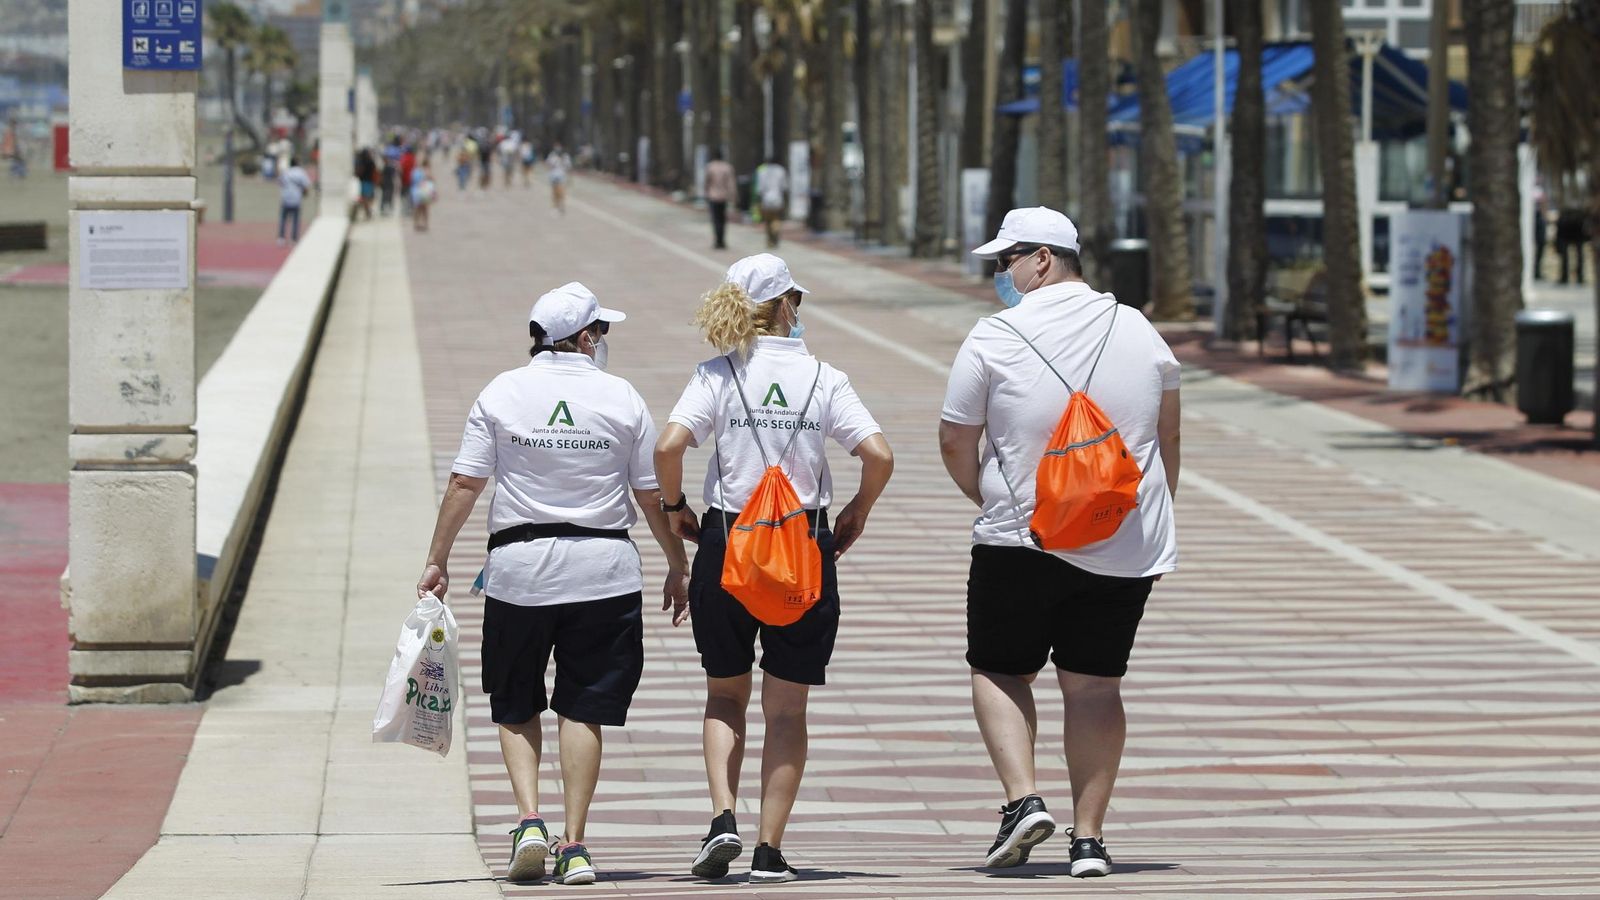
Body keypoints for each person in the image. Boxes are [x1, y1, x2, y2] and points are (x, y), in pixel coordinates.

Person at [418, 282, 689, 886]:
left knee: (515, 700)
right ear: (586, 336)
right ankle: (575, 845)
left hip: (519, 573)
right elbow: (649, 496)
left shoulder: (503, 390)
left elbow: (466, 484)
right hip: (604, 572)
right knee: (583, 707)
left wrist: (437, 560)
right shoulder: (621, 397)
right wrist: (677, 563)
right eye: (603, 331)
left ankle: (529, 821)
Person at [939, 207, 1180, 879]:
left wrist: (982, 494)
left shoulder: (995, 334)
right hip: (1121, 541)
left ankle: (1022, 801)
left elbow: (957, 436)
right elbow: (1167, 438)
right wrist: (1148, 525)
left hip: (1022, 536)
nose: (1000, 275)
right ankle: (1090, 841)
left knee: (998, 668)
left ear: (1042, 259)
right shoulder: (1140, 328)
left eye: (1005, 261)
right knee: (1097, 687)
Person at [654, 254, 894, 884]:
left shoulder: (717, 374)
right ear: (787, 305)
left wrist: (677, 506)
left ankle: (722, 817)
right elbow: (879, 454)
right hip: (802, 546)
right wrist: (857, 512)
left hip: (728, 543)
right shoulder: (826, 379)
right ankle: (768, 849)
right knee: (787, 710)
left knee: (723, 693)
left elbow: (668, 446)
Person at [277, 156, 313, 245]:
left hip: (286, 198)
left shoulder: (286, 172)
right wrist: (305, 193)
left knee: (283, 219)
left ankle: (281, 238)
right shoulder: (301, 172)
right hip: (296, 198)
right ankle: (294, 238)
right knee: (295, 220)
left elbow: (280, 182)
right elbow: (306, 185)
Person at [704, 149, 736, 250]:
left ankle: (717, 240)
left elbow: (706, 181)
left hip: (713, 196)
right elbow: (731, 183)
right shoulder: (727, 167)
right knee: (722, 219)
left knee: (715, 219)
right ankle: (722, 240)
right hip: (724, 196)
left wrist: (706, 192)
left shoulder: (710, 167)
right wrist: (733, 195)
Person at [754, 156, 788, 248]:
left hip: (766, 199)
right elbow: (784, 187)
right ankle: (775, 234)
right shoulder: (781, 170)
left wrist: (759, 202)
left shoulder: (762, 171)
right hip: (778, 198)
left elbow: (759, 189)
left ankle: (770, 240)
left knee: (768, 221)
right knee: (776, 219)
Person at [547, 142, 573, 214]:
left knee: (561, 192)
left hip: (562, 176)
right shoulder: (552, 155)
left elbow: (569, 167)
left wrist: (570, 178)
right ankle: (555, 206)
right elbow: (548, 165)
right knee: (554, 192)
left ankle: (562, 206)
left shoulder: (565, 156)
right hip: (553, 176)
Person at [354, 147, 378, 220]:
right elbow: (375, 171)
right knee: (368, 197)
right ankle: (368, 211)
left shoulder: (362, 162)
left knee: (365, 197)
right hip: (369, 182)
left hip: (364, 182)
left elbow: (358, 172)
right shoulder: (370, 162)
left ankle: (367, 211)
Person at [380, 135, 402, 215]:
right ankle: (387, 207)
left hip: (391, 171)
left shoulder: (391, 149)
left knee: (388, 191)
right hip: (391, 172)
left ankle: (386, 207)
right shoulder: (396, 150)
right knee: (389, 190)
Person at [410, 162, 434, 232]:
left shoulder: (416, 171)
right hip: (421, 192)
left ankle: (420, 224)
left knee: (421, 209)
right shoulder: (418, 172)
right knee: (422, 209)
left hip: (421, 192)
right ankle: (421, 224)